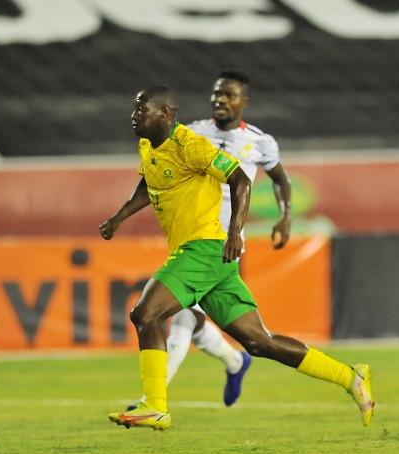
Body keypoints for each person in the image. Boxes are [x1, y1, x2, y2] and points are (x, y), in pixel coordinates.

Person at [100, 85, 373, 431]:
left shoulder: (191, 145)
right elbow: (148, 184)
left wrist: (235, 232)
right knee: (261, 342)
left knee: (145, 313)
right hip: (208, 257)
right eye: (135, 109)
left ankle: (155, 405)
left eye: (142, 110)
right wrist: (120, 217)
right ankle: (351, 378)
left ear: (165, 113)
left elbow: (240, 180)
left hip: (204, 248)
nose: (134, 116)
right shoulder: (147, 146)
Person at [131, 71, 293, 410]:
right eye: (217, 94)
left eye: (230, 95)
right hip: (190, 236)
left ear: (243, 102)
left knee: (181, 321)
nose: (221, 100)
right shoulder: (190, 133)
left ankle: (151, 402)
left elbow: (280, 179)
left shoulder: (261, 141)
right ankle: (236, 362)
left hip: (223, 245)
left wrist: (285, 215)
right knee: (196, 321)